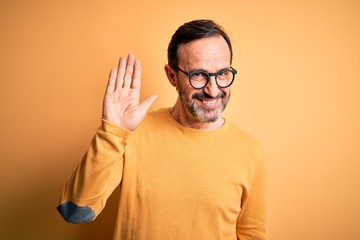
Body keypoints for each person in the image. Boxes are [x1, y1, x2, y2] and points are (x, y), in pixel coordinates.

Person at [57, 19, 266, 240]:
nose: (213, 90)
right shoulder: (131, 133)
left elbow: (251, 235)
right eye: (198, 75)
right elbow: (75, 212)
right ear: (172, 76)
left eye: (222, 73)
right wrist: (112, 132)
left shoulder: (250, 151)